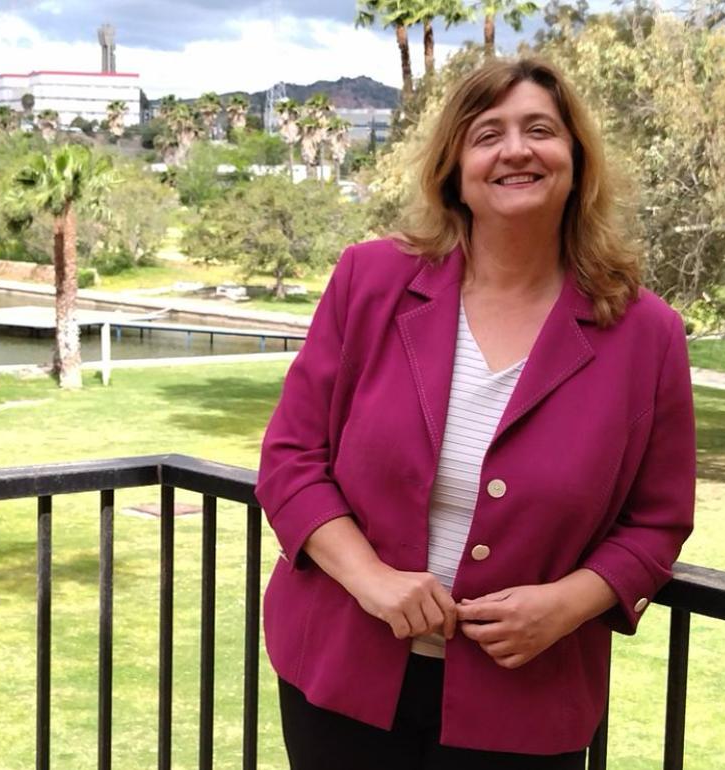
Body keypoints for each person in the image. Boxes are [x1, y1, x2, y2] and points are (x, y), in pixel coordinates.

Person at [255, 57, 696, 769]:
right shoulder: (371, 280)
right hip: (340, 677)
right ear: (455, 166)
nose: (515, 149)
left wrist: (570, 604)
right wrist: (371, 579)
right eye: (488, 133)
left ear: (576, 161)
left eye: (541, 130)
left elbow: (658, 520)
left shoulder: (646, 333)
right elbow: (291, 462)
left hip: (526, 702)